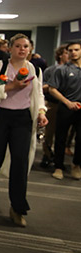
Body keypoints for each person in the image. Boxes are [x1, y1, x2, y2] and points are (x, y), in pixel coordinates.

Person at [0, 34, 48, 227]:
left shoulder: (35, 70)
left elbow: (38, 94)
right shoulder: (0, 66)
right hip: (0, 116)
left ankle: (18, 208)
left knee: (20, 162)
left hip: (22, 119)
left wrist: (41, 111)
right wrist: (11, 86)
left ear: (29, 49)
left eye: (25, 46)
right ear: (10, 48)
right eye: (18, 46)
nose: (22, 49)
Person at [48, 41, 81, 180]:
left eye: (77, 50)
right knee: (60, 138)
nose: (73, 52)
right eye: (70, 50)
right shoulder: (61, 69)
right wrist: (67, 102)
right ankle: (58, 167)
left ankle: (76, 165)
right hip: (66, 107)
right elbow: (52, 89)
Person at [40, 45, 69, 168]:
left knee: (64, 134)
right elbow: (42, 88)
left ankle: (58, 158)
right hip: (53, 103)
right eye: (67, 52)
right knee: (49, 132)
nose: (70, 55)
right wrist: (54, 85)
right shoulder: (50, 70)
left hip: (68, 106)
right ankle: (46, 155)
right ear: (60, 55)